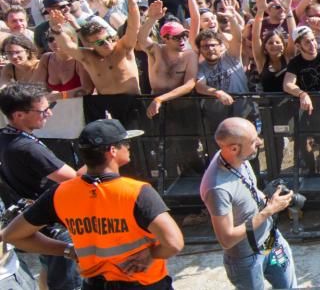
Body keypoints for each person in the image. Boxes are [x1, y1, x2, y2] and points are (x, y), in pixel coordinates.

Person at [1, 118, 184, 290]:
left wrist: (68, 250)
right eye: (126, 143)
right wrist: (152, 254)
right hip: (144, 284)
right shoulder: (137, 192)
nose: (129, 147)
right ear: (112, 151)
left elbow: (13, 235)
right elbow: (173, 243)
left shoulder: (60, 193)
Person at [0, 84, 82, 290]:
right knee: (67, 283)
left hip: (32, 221)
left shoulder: (4, 136)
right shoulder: (27, 148)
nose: (49, 114)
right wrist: (102, 151)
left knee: (47, 269)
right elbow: (74, 179)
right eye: (43, 111)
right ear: (19, 115)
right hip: (52, 224)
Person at [200, 118, 297, 290]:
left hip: (271, 240)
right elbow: (227, 240)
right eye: (253, 141)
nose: (259, 142)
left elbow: (249, 188)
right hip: (247, 258)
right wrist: (268, 211)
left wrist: (269, 199)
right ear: (234, 148)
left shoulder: (238, 159)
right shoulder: (217, 188)